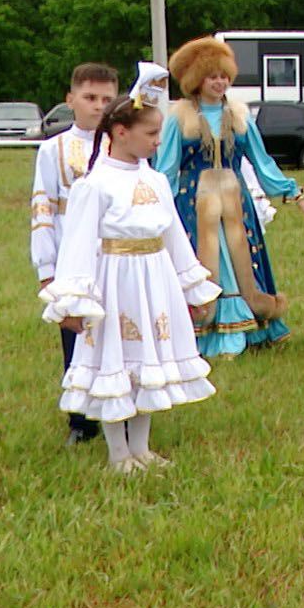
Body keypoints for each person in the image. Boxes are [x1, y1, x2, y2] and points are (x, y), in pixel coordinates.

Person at [42, 86, 219, 473]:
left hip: (155, 281)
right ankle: (118, 453)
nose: (158, 141)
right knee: (116, 361)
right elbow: (78, 243)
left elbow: (173, 235)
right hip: (115, 283)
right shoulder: (95, 184)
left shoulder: (155, 180)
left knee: (148, 362)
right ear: (121, 131)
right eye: (151, 134)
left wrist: (192, 286)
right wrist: (74, 299)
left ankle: (141, 447)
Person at [156, 36, 304, 359]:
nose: (219, 82)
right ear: (197, 80)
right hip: (193, 204)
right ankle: (203, 328)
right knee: (203, 261)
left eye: (223, 76)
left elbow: (261, 160)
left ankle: (244, 324)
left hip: (235, 203)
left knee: (240, 258)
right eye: (212, 76)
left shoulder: (240, 116)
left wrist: (292, 191)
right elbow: (167, 167)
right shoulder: (179, 118)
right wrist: (157, 205)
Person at [32, 61, 119, 446]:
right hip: (73, 258)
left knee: (118, 330)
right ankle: (81, 421)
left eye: (107, 99)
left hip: (117, 255)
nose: (98, 106)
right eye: (89, 97)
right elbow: (43, 207)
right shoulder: (54, 150)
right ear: (71, 100)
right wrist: (47, 268)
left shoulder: (124, 147)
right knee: (78, 335)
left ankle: (122, 408)